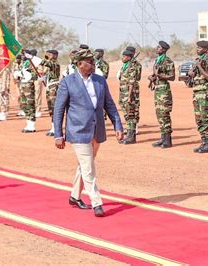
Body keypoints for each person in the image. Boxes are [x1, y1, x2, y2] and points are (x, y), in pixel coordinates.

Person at [53, 49, 123, 217]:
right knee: (89, 167)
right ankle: (96, 202)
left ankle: (74, 196)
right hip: (78, 131)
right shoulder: (68, 82)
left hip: (97, 129)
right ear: (79, 64)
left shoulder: (100, 80)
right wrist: (58, 134)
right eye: (89, 62)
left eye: (93, 61)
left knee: (85, 165)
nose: (93, 64)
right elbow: (58, 110)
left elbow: (109, 104)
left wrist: (118, 125)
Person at [186, 41, 208, 153]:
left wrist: (200, 68)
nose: (197, 49)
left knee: (205, 118)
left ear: (205, 49)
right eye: (197, 48)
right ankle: (203, 142)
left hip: (204, 93)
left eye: (199, 48)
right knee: (198, 119)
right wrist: (191, 74)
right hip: (196, 92)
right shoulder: (197, 61)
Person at [148, 41, 175, 148]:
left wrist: (160, 75)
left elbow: (172, 77)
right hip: (158, 90)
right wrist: (152, 77)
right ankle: (163, 138)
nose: (156, 48)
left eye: (159, 47)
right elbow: (156, 75)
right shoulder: (158, 60)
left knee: (165, 115)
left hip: (164, 90)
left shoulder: (167, 61)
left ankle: (168, 140)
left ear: (164, 50)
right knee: (159, 115)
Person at [118, 49, 141, 144]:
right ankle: (129, 135)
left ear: (128, 57)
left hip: (129, 94)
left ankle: (132, 137)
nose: (122, 58)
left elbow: (131, 82)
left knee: (131, 114)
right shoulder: (126, 65)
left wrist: (129, 96)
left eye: (124, 56)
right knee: (127, 114)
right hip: (124, 93)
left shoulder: (133, 66)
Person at [40, 50, 61, 136]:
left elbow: (45, 63)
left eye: (50, 54)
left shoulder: (55, 64)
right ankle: (53, 127)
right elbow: (42, 66)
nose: (48, 55)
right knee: (50, 108)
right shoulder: (49, 64)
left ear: (55, 55)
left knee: (54, 107)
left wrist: (46, 58)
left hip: (54, 86)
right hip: (49, 86)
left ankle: (56, 128)